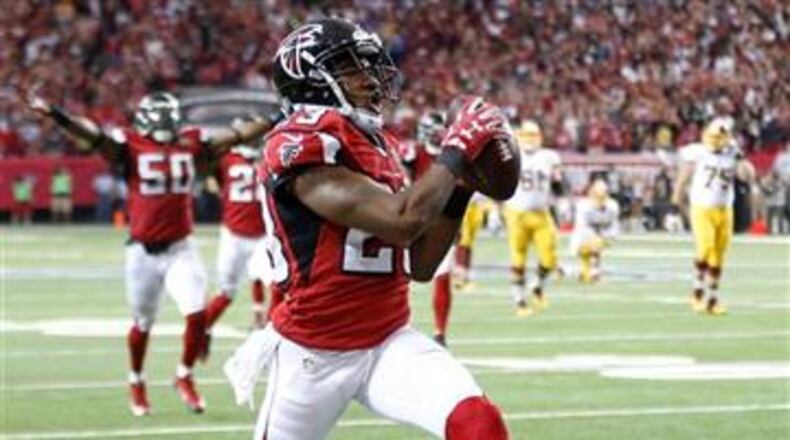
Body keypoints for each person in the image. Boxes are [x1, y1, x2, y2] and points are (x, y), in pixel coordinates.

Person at [229, 18, 509, 440]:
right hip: (313, 354)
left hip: (387, 340)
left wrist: (460, 190)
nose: (370, 78)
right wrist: (456, 149)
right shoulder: (298, 142)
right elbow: (402, 222)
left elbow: (420, 264)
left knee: (478, 424)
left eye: (368, 65)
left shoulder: (380, 145)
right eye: (351, 67)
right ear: (312, 80)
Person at [22, 89, 271, 416]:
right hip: (143, 252)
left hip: (181, 247)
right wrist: (58, 115)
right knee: (142, 322)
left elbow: (238, 134)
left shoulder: (192, 145)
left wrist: (278, 118)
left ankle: (184, 375)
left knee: (196, 315)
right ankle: (136, 380)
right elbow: (92, 135)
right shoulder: (131, 148)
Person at [671, 117, 756, 315]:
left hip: (725, 209)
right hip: (701, 208)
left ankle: (712, 298)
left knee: (718, 255)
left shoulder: (732, 153)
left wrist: (741, 158)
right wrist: (674, 205)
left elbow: (748, 176)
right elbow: (683, 179)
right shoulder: (698, 153)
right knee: (705, 248)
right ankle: (697, 292)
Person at [202, 117, 270, 362]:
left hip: (261, 235)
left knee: (274, 283)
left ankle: (268, 336)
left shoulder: (240, 159)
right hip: (235, 234)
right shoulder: (233, 159)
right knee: (227, 290)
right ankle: (203, 329)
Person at [400, 110, 455, 346]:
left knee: (442, 277)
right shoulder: (413, 154)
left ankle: (440, 333)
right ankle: (398, 327)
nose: (442, 135)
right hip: (413, 221)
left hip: (440, 223)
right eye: (438, 131)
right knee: (399, 279)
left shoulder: (451, 157)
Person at [503, 120, 562, 316]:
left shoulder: (549, 157)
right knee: (518, 259)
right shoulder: (510, 154)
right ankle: (519, 300)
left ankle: (537, 286)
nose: (530, 140)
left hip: (541, 213)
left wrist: (557, 183)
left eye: (533, 135)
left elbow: (558, 187)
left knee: (549, 258)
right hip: (516, 213)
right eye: (527, 135)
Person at [570, 179, 620, 284]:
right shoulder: (583, 206)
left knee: (588, 278)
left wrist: (608, 237)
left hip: (600, 237)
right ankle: (590, 270)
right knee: (586, 277)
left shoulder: (612, 206)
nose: (600, 200)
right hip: (582, 241)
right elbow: (581, 229)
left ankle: (590, 270)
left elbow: (614, 227)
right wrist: (594, 240)